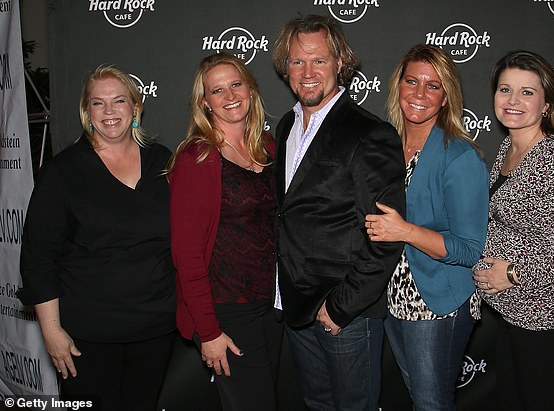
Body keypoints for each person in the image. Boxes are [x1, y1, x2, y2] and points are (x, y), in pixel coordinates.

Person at [18, 65, 176, 411]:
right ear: (85, 111)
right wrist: (51, 331)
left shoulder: (163, 162)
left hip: (156, 329)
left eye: (119, 101)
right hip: (86, 337)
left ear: (136, 108)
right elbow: (38, 258)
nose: (109, 111)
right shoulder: (63, 172)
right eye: (98, 103)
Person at [271, 14, 405, 411]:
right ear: (285, 67)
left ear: (340, 64)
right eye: (297, 61)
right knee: (317, 404)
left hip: (345, 313)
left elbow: (385, 235)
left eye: (319, 60)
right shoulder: (285, 126)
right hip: (296, 303)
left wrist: (340, 307)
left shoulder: (370, 132)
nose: (307, 72)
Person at [472, 50, 554, 411]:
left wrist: (514, 273)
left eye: (527, 92)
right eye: (505, 89)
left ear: (546, 103)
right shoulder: (507, 148)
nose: (513, 100)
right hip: (518, 316)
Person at [364, 44, 489, 410]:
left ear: (446, 97)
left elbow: (470, 249)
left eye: (432, 86)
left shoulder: (459, 156)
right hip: (391, 299)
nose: (419, 93)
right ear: (397, 86)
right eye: (412, 81)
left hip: (437, 303)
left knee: (432, 405)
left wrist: (405, 231)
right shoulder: (386, 145)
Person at [167, 52, 281, 411]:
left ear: (251, 89)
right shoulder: (198, 157)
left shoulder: (269, 147)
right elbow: (186, 256)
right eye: (217, 91)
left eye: (236, 85)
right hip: (229, 310)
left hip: (274, 307)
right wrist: (210, 331)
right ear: (205, 102)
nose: (230, 96)